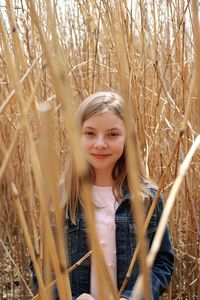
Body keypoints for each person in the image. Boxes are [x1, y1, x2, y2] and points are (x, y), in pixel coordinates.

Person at [31, 91, 174, 300]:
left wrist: (133, 297)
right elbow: (42, 265)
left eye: (112, 134)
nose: (100, 144)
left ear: (127, 138)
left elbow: (162, 261)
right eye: (90, 133)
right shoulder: (61, 198)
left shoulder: (148, 198)